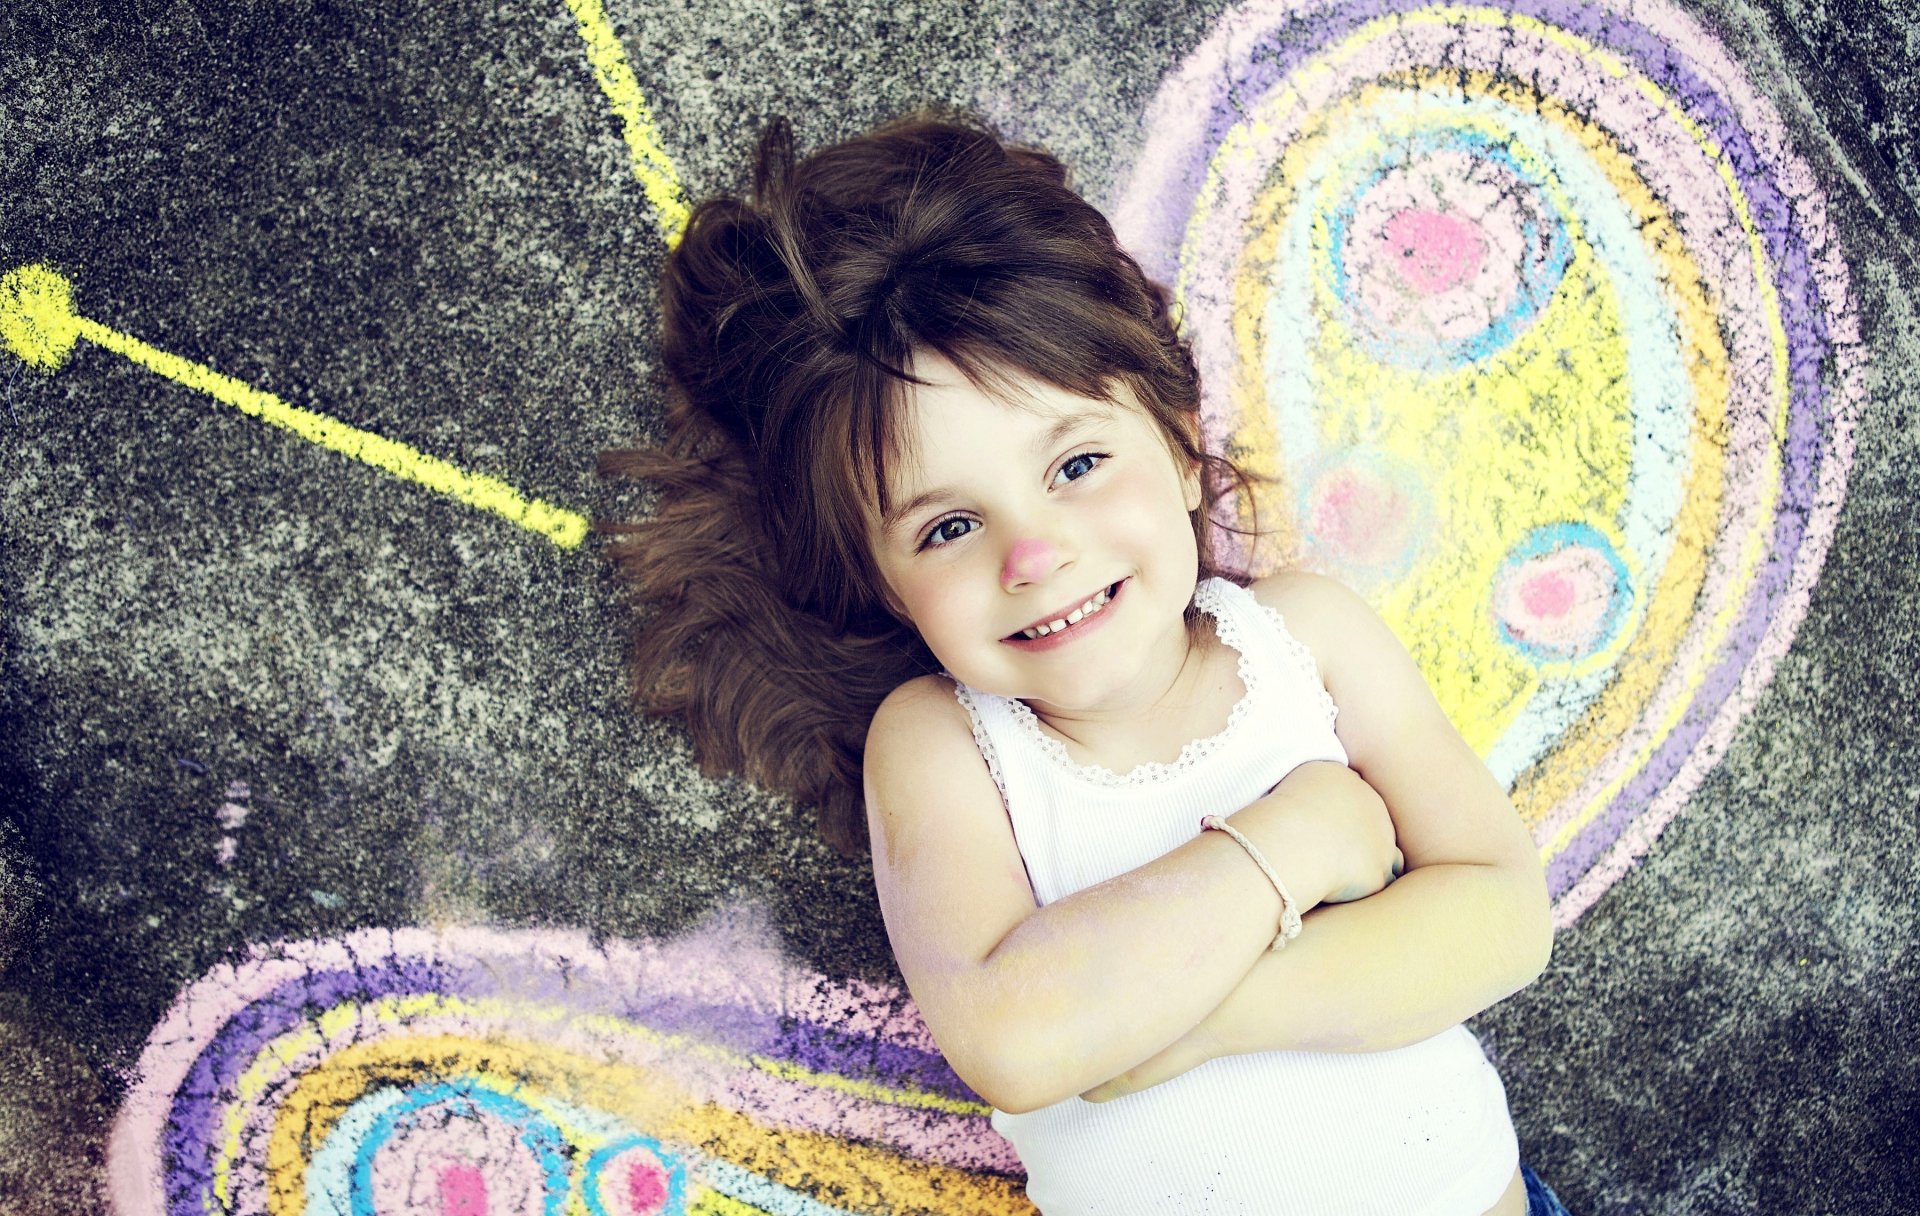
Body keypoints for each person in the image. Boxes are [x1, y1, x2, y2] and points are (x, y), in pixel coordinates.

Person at [601, 112, 1573, 1216]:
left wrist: (1203, 1020)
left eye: (1075, 464)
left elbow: (1504, 916)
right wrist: (1287, 842)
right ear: (885, 585)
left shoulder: (1307, 640)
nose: (1033, 554)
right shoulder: (944, 744)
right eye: (948, 528)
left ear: (1181, 442)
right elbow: (1014, 1041)